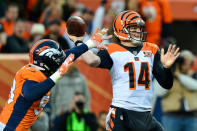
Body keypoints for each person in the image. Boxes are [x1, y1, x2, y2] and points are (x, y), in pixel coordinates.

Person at [77, 10, 180, 131]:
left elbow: (167, 84)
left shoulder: (151, 49)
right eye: (134, 28)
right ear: (121, 29)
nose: (138, 31)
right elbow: (91, 61)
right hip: (122, 113)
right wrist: (80, 43)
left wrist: (166, 68)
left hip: (145, 115)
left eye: (139, 28)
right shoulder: (112, 49)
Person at [0, 27, 109, 130]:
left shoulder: (39, 68)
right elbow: (30, 94)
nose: (60, 62)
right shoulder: (32, 74)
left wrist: (90, 44)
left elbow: (69, 55)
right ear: (49, 61)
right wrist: (58, 75)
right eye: (57, 59)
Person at [156, 50, 197, 131]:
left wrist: (178, 75)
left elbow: (195, 86)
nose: (184, 62)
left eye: (187, 60)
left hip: (191, 117)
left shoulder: (193, 74)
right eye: (182, 60)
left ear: (191, 62)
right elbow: (159, 92)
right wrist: (169, 73)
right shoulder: (168, 74)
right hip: (171, 117)